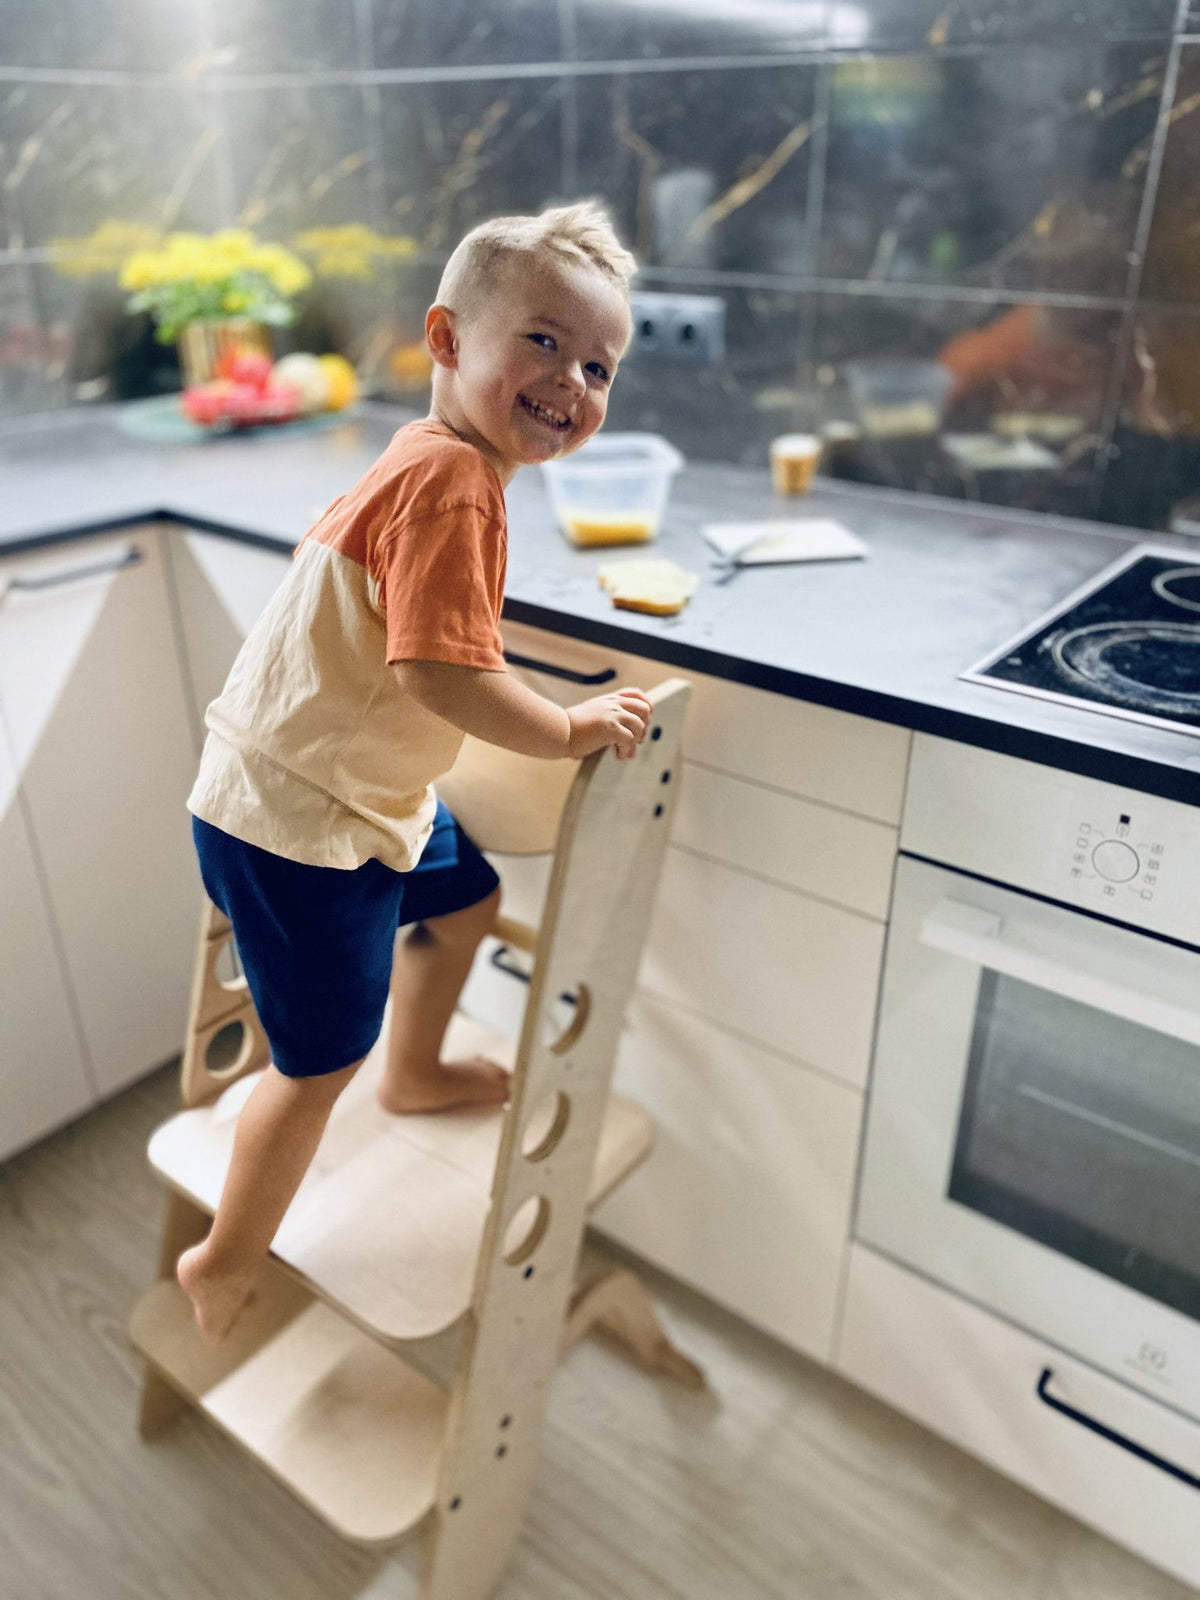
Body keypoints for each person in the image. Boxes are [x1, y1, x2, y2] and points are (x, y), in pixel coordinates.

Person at [177, 201, 650, 1342]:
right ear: (447, 339)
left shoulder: (429, 455)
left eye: (598, 364)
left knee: (468, 893)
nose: (573, 381)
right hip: (302, 823)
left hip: (348, 790)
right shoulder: (456, 484)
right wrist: (569, 727)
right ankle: (224, 1257)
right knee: (314, 1063)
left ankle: (420, 1069)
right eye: (543, 341)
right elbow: (440, 673)